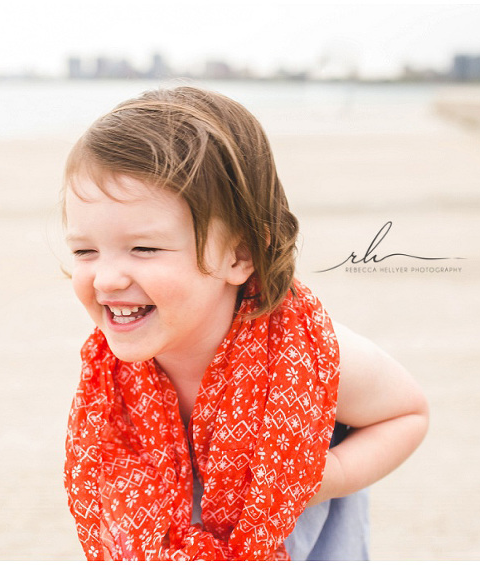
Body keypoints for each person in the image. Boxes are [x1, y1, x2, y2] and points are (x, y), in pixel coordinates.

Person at [61, 86, 428, 561]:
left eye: (144, 249)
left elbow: (408, 413)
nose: (107, 278)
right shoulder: (113, 379)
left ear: (240, 255)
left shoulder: (304, 356)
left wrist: (330, 473)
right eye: (85, 251)